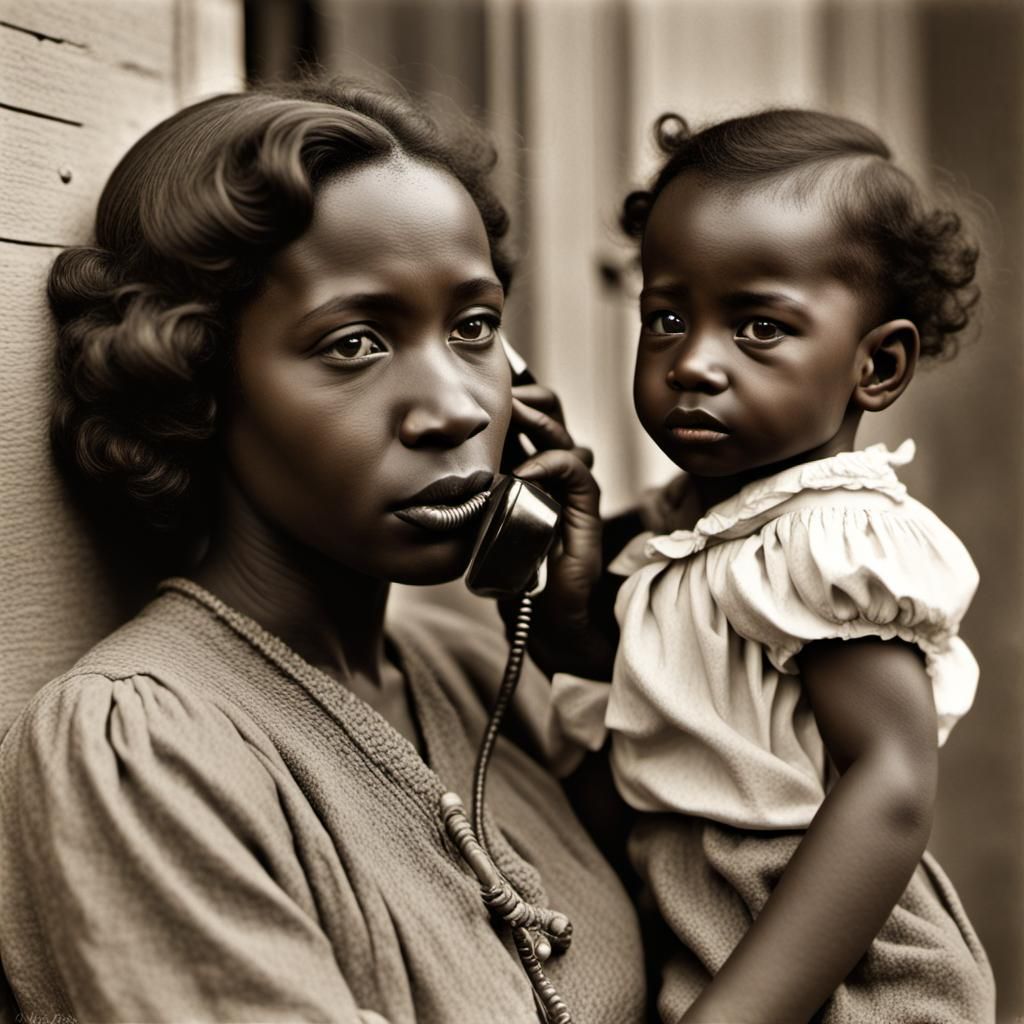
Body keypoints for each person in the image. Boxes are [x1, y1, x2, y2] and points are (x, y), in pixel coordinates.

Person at [0, 78, 647, 1023]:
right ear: (197, 380)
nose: (460, 408)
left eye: (473, 329)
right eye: (354, 343)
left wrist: (593, 663)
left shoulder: (484, 674)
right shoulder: (143, 750)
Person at [538, 109, 997, 1023]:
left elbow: (890, 783)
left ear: (877, 365)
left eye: (758, 328)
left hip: (845, 973)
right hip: (707, 928)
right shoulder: (702, 535)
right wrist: (573, 611)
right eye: (666, 318)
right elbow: (669, 711)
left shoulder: (829, 538)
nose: (693, 363)